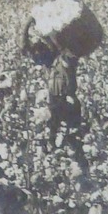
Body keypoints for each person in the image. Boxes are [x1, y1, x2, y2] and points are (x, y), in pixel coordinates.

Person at [22, 21, 86, 172]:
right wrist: (28, 28)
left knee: (67, 124)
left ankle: (66, 146)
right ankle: (54, 147)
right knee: (54, 124)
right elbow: (26, 48)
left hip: (65, 98)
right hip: (56, 99)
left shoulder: (68, 62)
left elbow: (59, 47)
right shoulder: (50, 62)